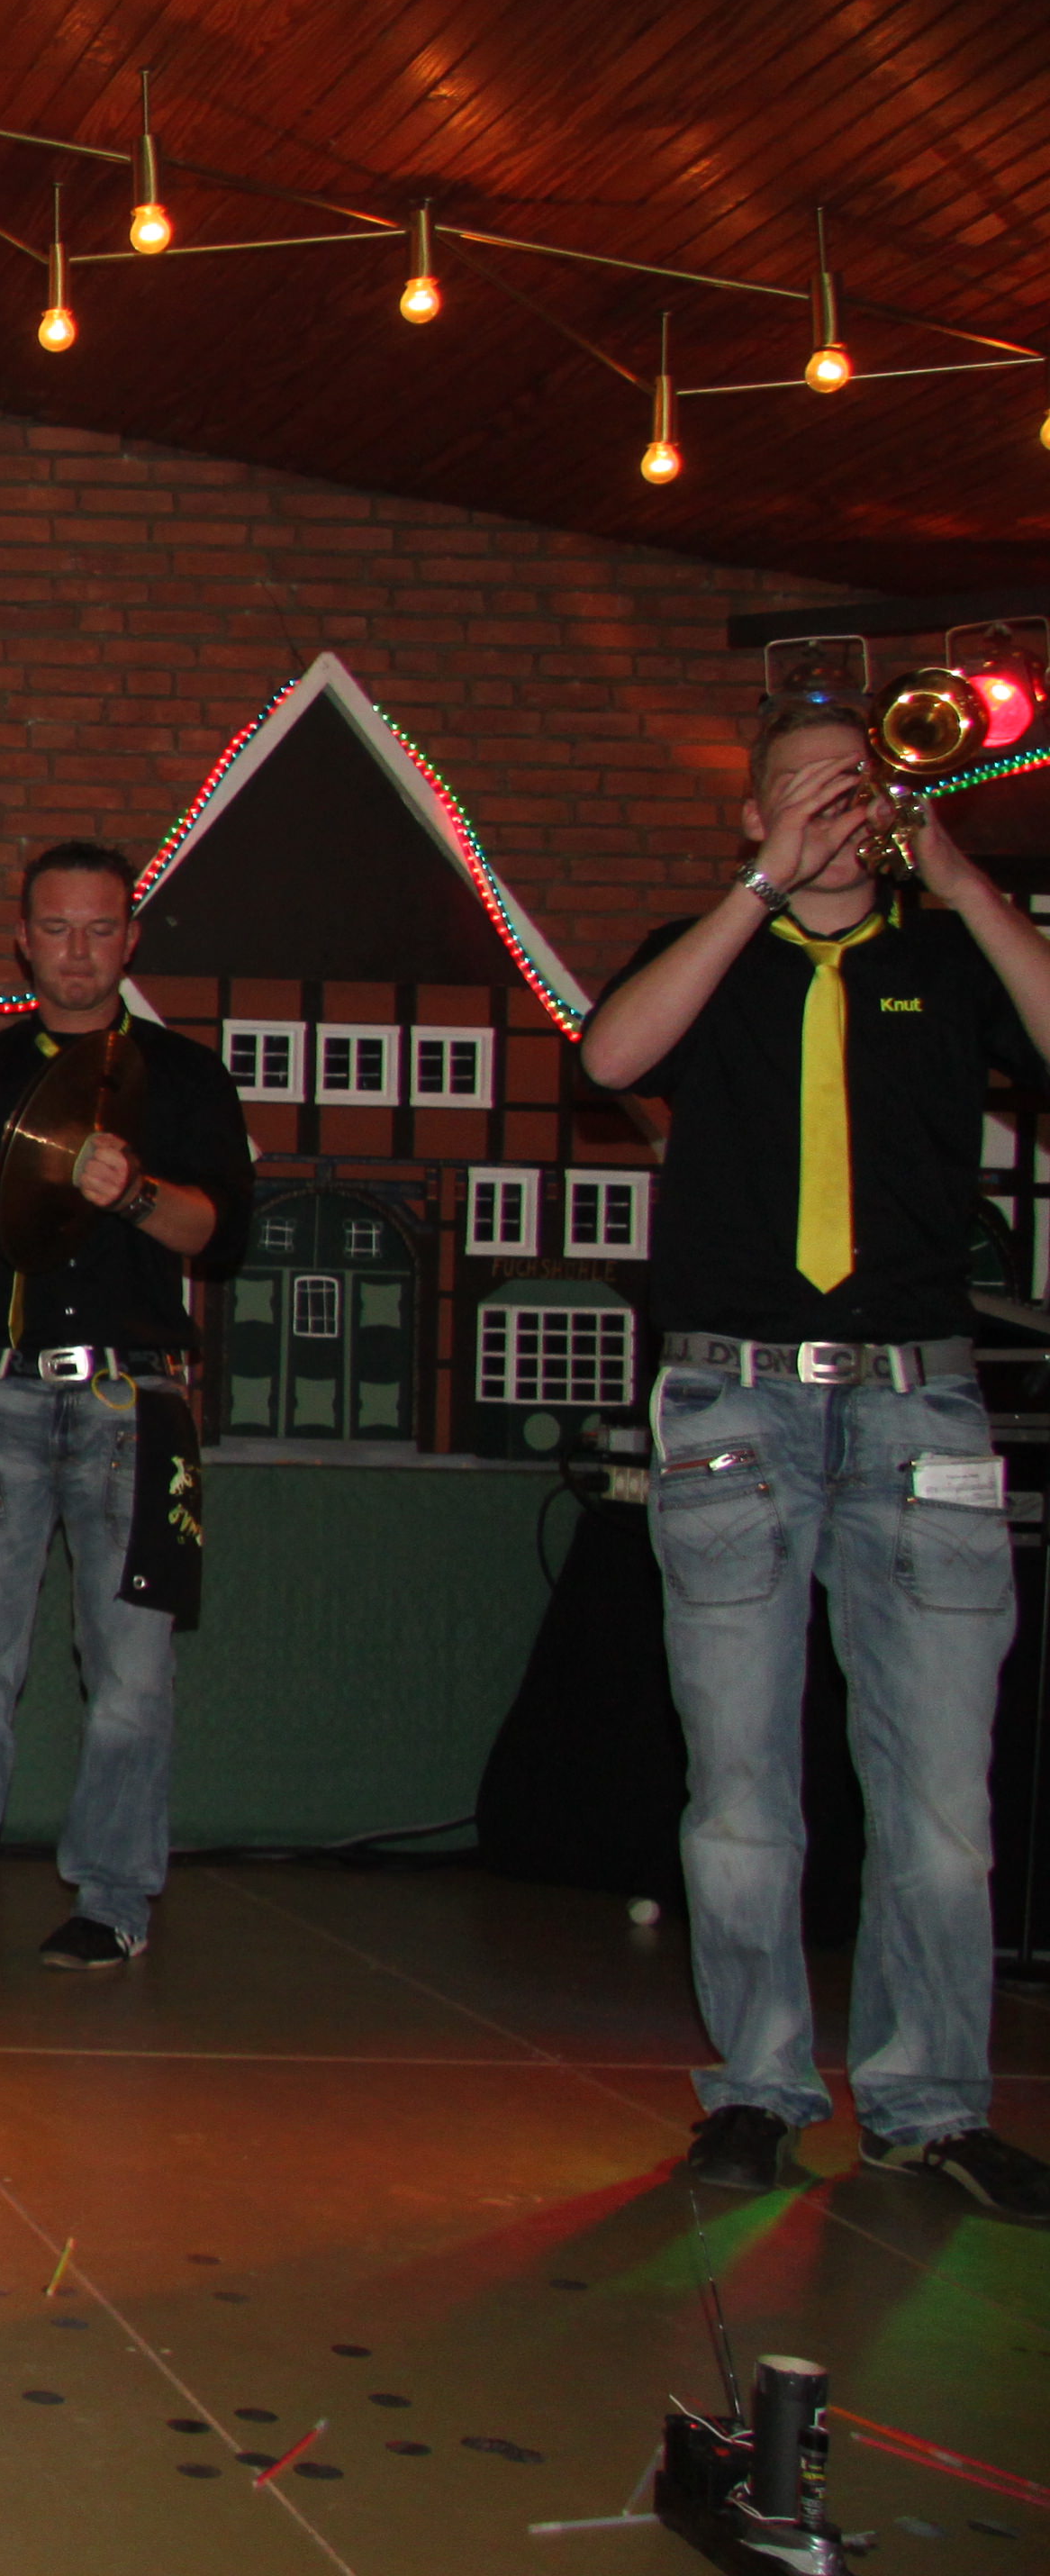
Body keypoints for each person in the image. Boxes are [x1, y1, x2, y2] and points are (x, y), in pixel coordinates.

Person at [575, 694, 1050, 2223]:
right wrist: (761, 885)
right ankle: (759, 2088)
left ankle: (930, 2105)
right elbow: (610, 1052)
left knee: (942, 1810)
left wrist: (961, 877)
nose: (838, 806)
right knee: (739, 1789)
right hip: (736, 1406)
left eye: (857, 786)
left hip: (918, 1411)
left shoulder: (946, 956)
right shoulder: (708, 944)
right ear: (751, 814)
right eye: (801, 787)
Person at [0, 839, 250, 1985]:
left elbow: (217, 1235)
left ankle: (113, 1899)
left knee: (133, 1676)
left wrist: (131, 1192)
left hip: (137, 1399)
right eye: (57, 928)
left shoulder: (185, 1076)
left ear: (130, 939)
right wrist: (39, 1167)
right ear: (23, 940)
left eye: (100, 929)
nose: (79, 951)